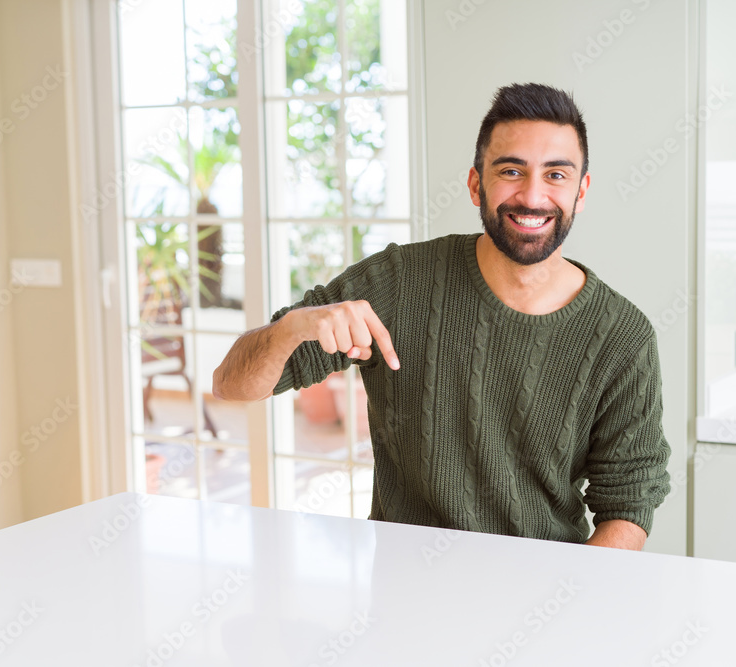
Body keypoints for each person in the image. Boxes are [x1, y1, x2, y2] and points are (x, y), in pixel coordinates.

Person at [213, 83, 671, 551]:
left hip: (546, 591)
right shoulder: (397, 282)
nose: (532, 196)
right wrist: (291, 328)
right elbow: (230, 385)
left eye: (556, 175)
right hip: (404, 591)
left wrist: (560, 603)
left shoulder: (622, 336)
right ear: (476, 184)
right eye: (511, 170)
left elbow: (628, 506)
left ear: (581, 191)